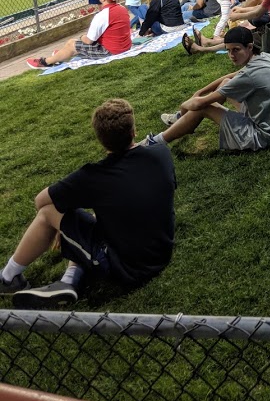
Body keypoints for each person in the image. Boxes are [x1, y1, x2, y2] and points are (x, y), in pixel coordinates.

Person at [0, 99, 176, 308]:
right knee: (85, 221)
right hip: (161, 250)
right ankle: (69, 281)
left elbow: (41, 201)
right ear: (133, 131)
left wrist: (63, 221)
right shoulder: (161, 153)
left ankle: (7, 278)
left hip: (128, 267)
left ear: (100, 139)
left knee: (49, 213)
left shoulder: (93, 176)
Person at [144, 27, 270, 152]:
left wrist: (186, 104)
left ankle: (156, 142)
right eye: (228, 50)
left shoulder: (249, 75)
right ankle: (182, 121)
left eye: (236, 50)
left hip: (265, 136)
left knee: (204, 107)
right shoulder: (265, 57)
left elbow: (199, 104)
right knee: (225, 83)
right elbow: (230, 77)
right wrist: (200, 92)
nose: (231, 55)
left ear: (249, 47)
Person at [27, 0, 132, 68]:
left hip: (110, 52)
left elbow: (88, 40)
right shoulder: (122, 8)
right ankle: (60, 55)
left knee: (72, 44)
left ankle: (46, 62)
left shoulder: (103, 15)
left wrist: (82, 37)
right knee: (73, 44)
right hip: (125, 46)